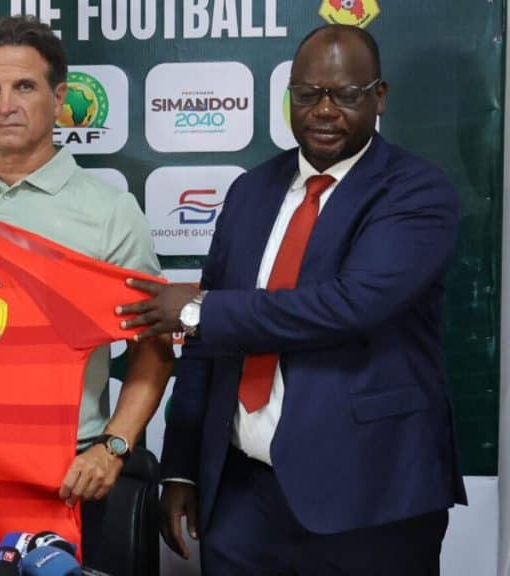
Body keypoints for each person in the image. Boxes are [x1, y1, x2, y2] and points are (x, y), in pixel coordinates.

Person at [118, 24, 467, 574]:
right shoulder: (250, 191)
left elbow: (351, 305)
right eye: (307, 94)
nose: (324, 111)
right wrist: (182, 466)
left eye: (344, 94)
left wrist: (201, 309)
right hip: (241, 497)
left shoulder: (415, 190)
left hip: (371, 497)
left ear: (378, 96)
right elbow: (206, 346)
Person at [0, 15, 173, 566]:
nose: (5, 105)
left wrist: (114, 447)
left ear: (59, 97)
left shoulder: (108, 212)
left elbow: (154, 347)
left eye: (24, 86)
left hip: (66, 473)